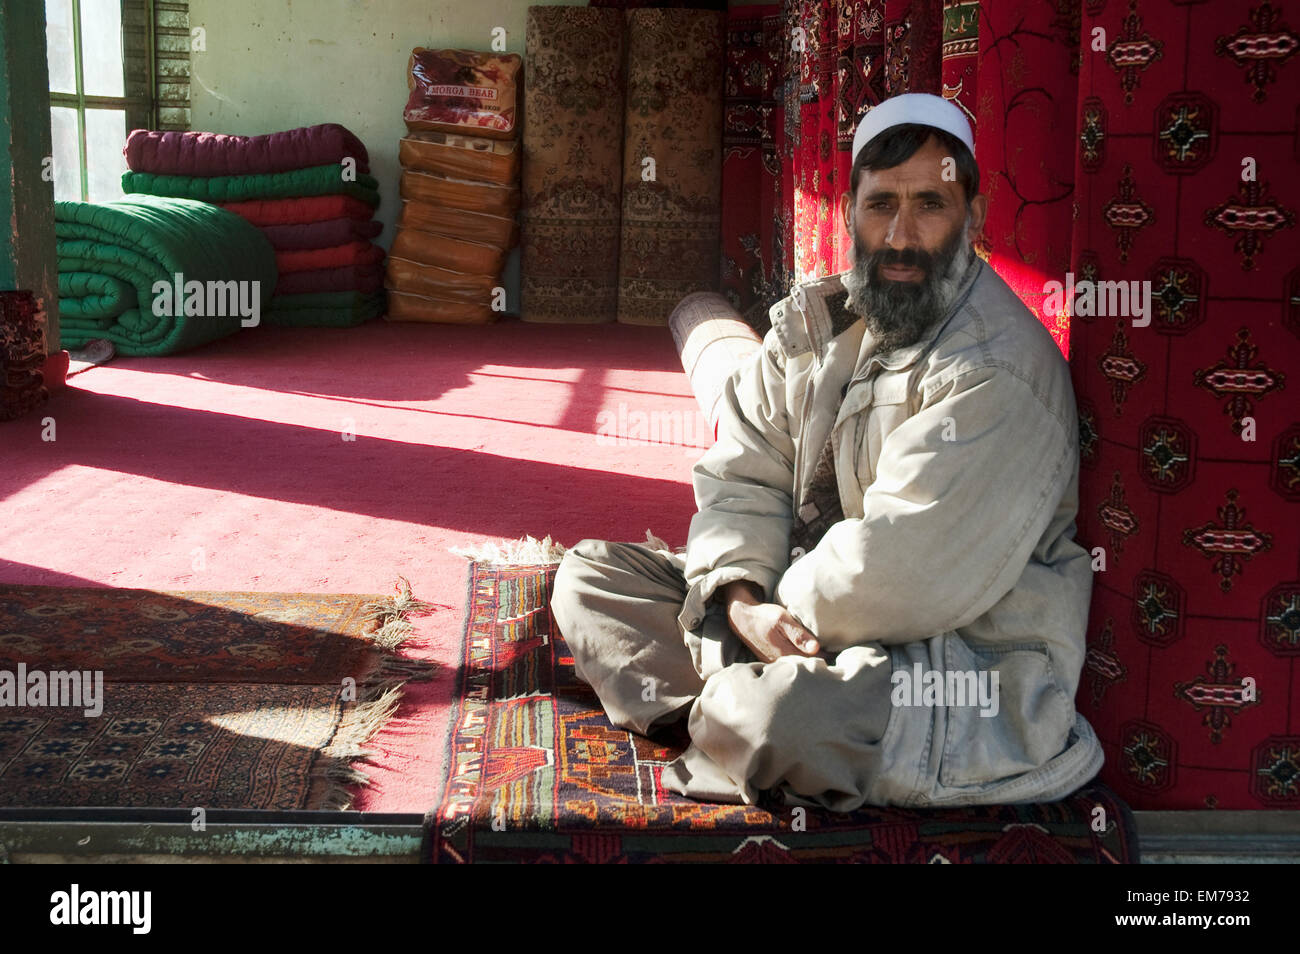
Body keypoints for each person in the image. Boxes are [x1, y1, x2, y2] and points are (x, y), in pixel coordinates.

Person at [550, 93, 1103, 810]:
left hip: (949, 659)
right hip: (797, 620)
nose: (901, 236)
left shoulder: (996, 369)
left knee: (792, 717)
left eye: (930, 204)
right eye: (881, 206)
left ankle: (738, 713)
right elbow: (742, 473)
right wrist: (739, 597)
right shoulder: (816, 326)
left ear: (974, 215)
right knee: (590, 578)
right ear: (849, 213)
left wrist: (759, 615)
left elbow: (899, 572)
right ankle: (733, 716)